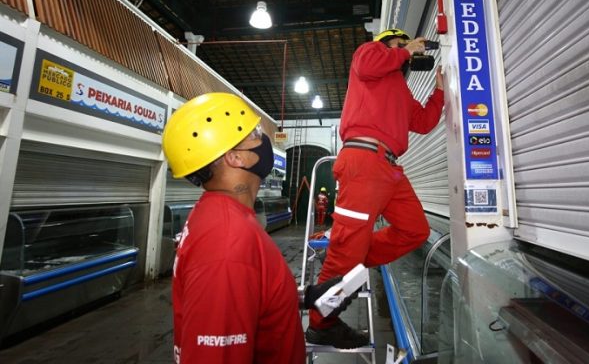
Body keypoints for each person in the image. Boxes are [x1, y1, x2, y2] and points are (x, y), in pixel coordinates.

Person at [162, 92, 351, 363]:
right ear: (235, 158)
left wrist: (304, 297)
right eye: (254, 134)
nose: (263, 140)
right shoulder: (228, 243)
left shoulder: (218, 215)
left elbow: (244, 297)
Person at [305, 28, 444, 348]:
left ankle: (354, 259)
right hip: (364, 162)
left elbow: (422, 122)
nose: (407, 52)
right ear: (387, 45)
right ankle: (320, 323)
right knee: (345, 252)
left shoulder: (399, 89)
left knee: (415, 230)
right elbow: (371, 63)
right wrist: (406, 49)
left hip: (391, 168)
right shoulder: (367, 55)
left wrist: (439, 92)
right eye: (399, 45)